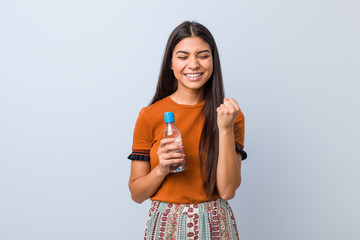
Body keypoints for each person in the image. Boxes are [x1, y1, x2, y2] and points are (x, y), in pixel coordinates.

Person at [128, 21, 247, 240]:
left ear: (213, 61)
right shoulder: (150, 115)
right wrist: (162, 169)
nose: (193, 64)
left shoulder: (231, 115)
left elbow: (227, 191)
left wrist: (224, 129)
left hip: (215, 226)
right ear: (170, 64)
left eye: (203, 55)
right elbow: (137, 194)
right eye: (183, 56)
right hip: (165, 227)